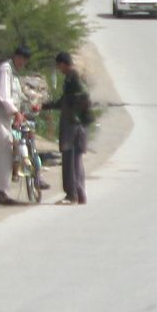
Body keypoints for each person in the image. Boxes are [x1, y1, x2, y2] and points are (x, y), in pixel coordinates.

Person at [0, 47, 30, 205]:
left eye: (25, 60)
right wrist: (16, 112)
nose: (23, 62)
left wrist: (26, 106)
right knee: (3, 155)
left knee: (2, 155)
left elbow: (16, 95)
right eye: (21, 58)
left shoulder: (13, 73)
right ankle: (0, 192)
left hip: (5, 118)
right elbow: (3, 96)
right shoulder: (5, 70)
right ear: (16, 57)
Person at [47, 51, 93, 205]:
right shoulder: (73, 78)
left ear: (62, 64)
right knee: (76, 160)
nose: (59, 69)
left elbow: (82, 97)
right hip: (78, 125)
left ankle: (72, 195)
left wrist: (74, 111)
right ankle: (80, 194)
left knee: (70, 160)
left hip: (72, 126)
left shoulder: (73, 78)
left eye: (59, 66)